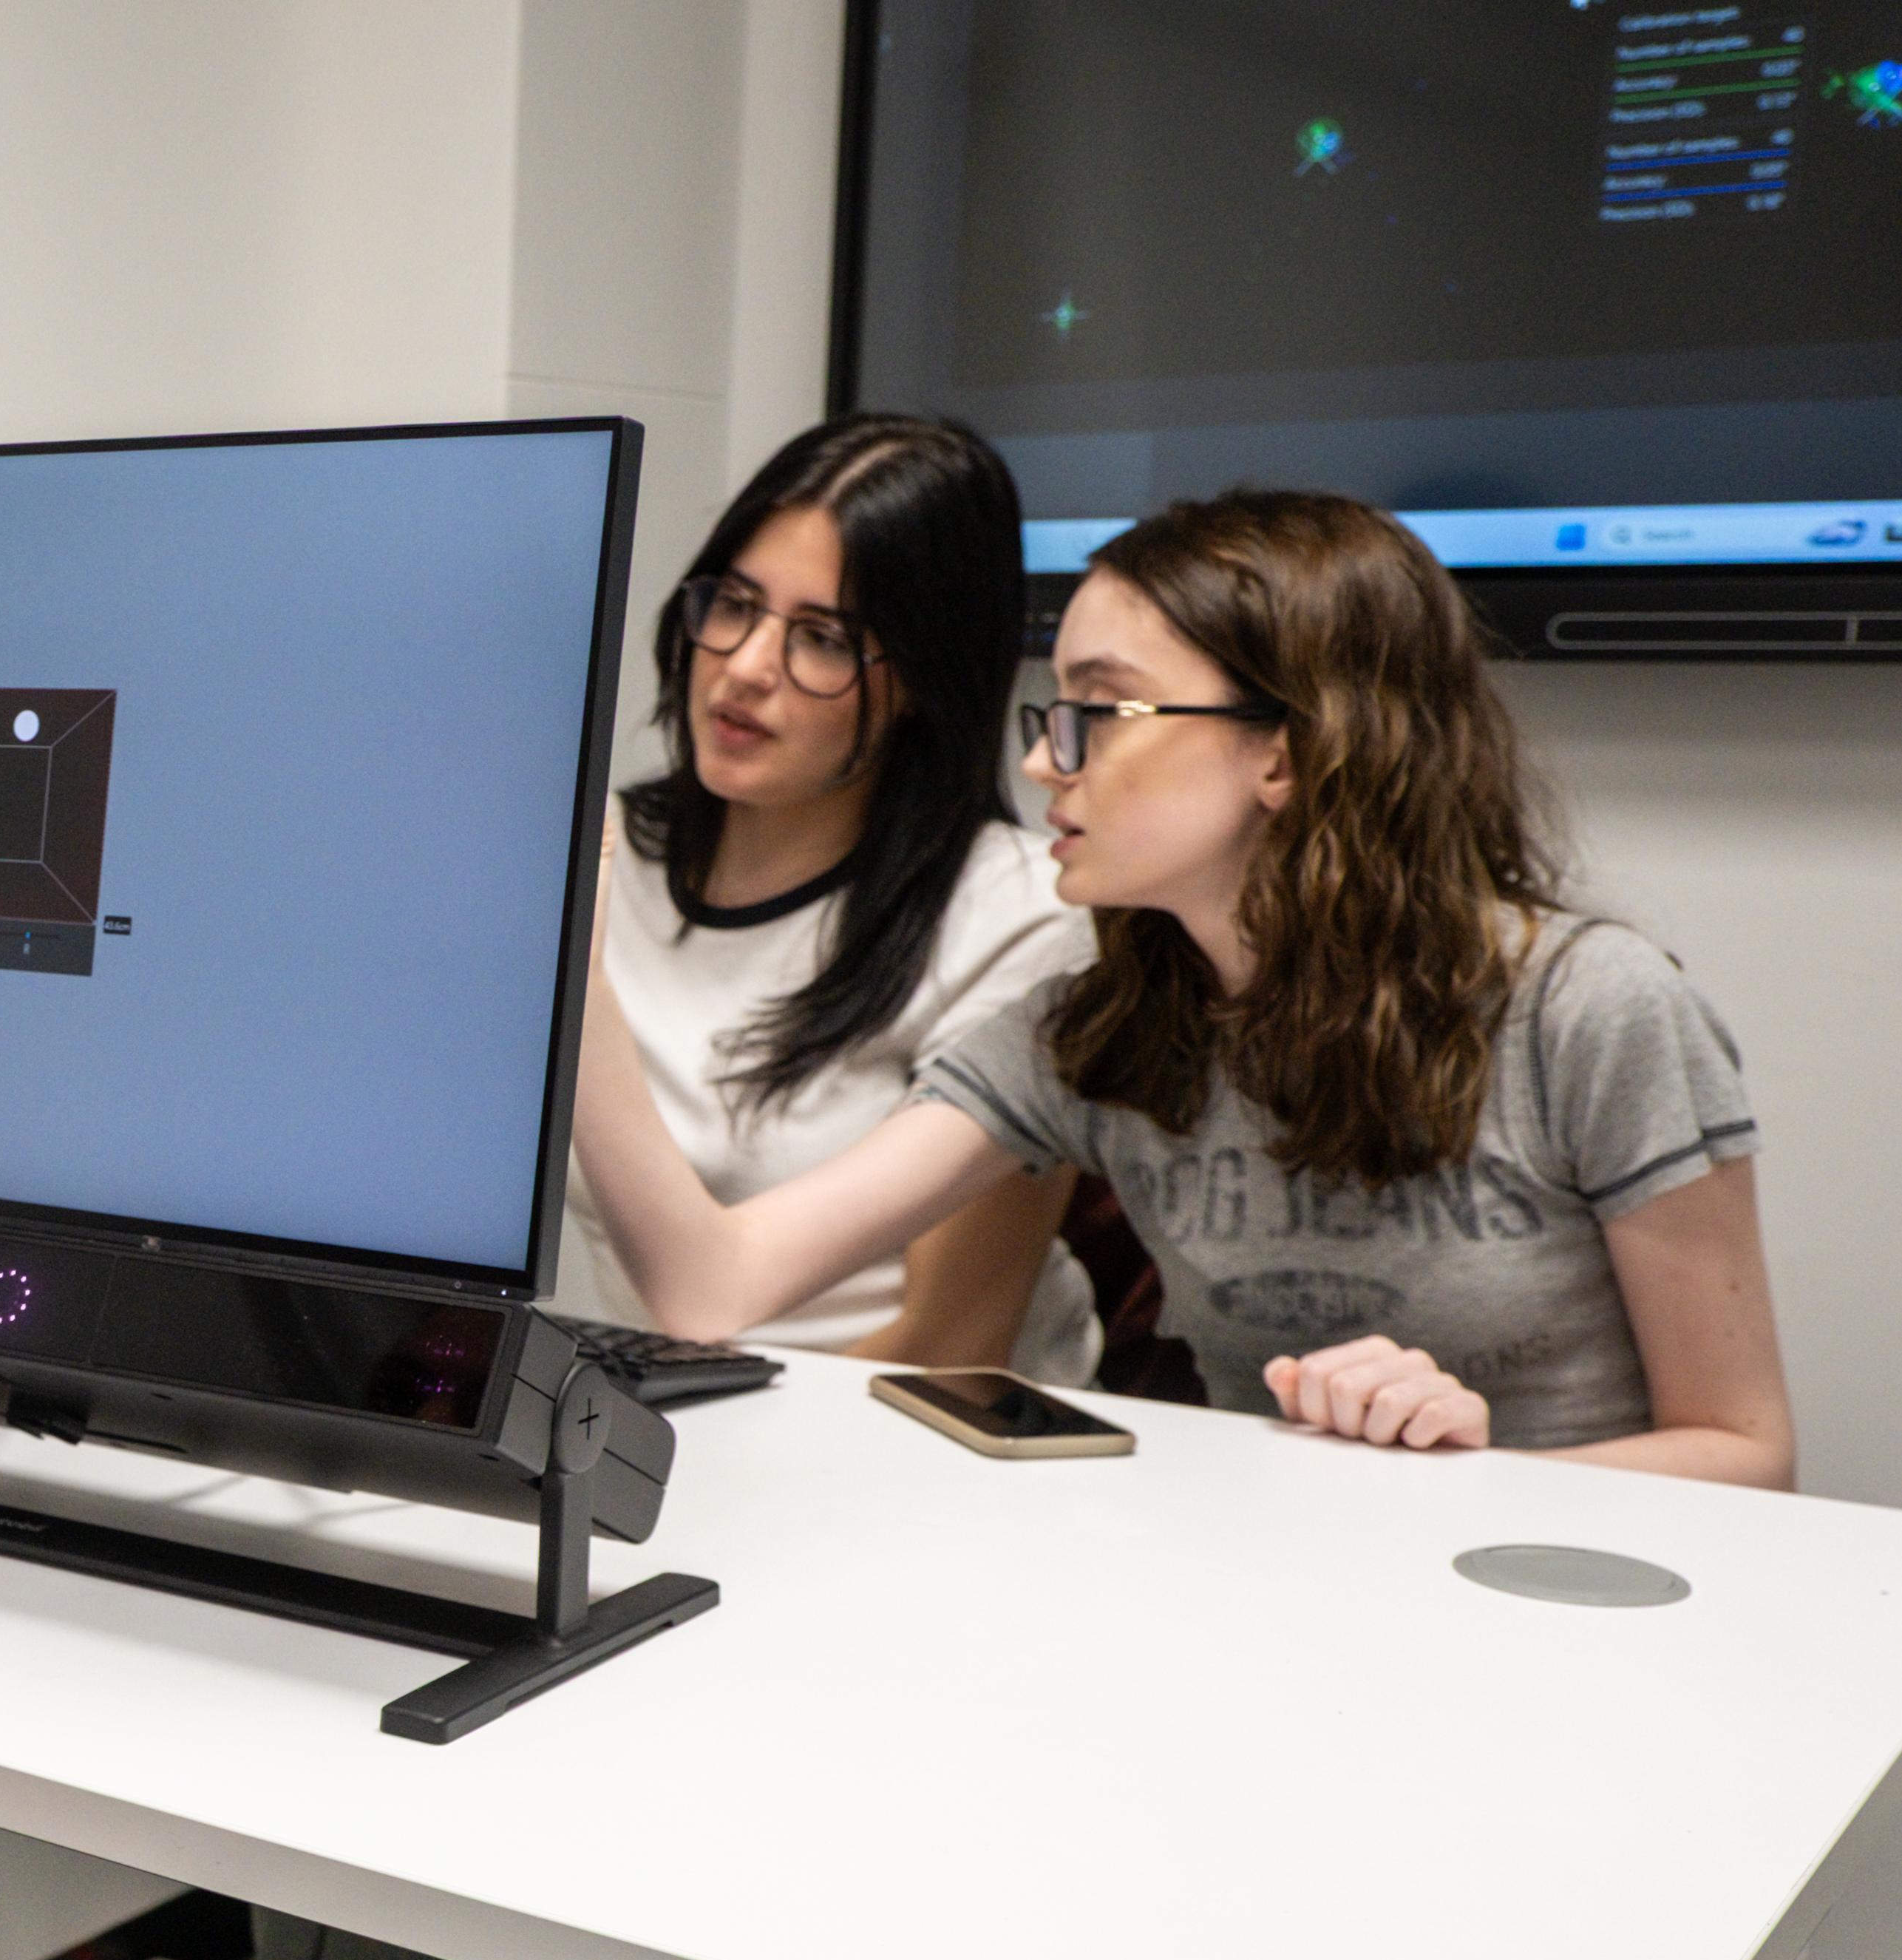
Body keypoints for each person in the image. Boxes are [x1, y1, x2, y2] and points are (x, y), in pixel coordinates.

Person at [574, 489, 1793, 1483]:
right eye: (1054, 709)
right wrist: (566, 968)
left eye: (1100, 709)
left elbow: (1747, 1451)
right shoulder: (1088, 1024)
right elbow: (711, 1282)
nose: (1050, 758)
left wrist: (1475, 1462)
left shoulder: (1588, 1006)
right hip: (1262, 1599)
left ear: (1287, 749)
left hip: (1549, 1607)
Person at [558, 416, 1097, 1382]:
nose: (746, 665)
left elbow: (951, 1345)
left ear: (921, 682)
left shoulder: (1024, 914)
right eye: (732, 604)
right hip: (647, 1415)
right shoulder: (592, 850)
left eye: (820, 638)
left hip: (909, 1439)